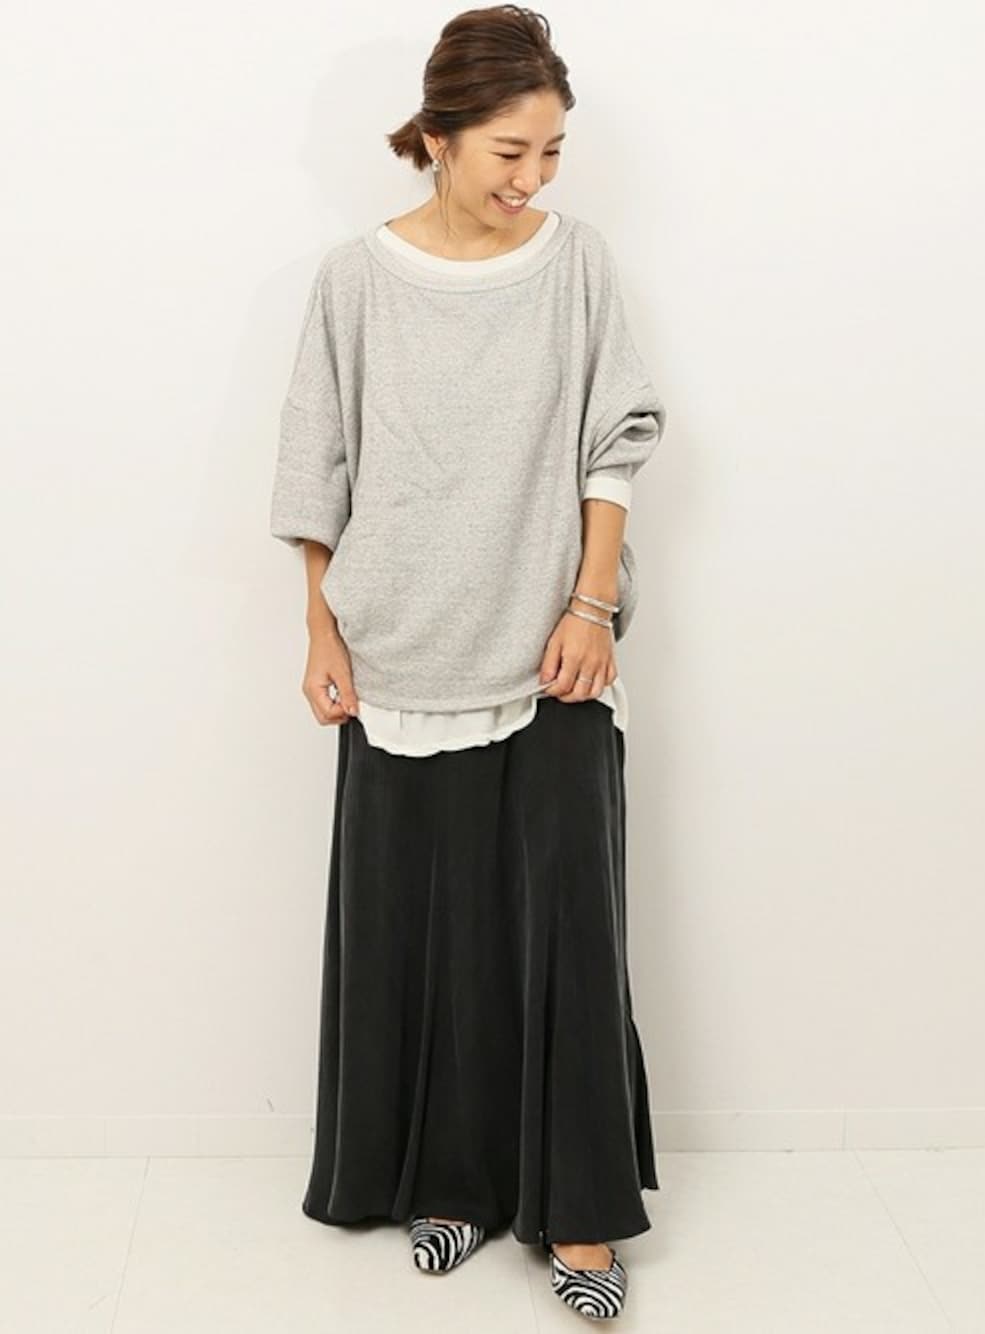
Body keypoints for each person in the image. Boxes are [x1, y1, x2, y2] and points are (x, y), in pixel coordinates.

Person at [269, 5, 667, 1321]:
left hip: (552, 644)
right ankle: (453, 1183)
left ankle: (584, 1221)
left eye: (551, 153)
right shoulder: (355, 281)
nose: (532, 179)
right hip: (398, 650)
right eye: (509, 152)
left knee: (568, 932)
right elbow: (316, 470)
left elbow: (617, 436)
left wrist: (592, 602)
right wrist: (321, 629)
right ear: (437, 138)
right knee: (433, 935)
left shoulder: (577, 264)